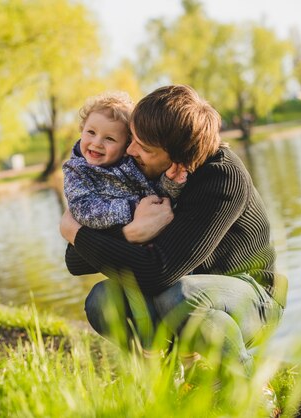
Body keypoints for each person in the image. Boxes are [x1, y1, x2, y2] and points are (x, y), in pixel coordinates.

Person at [60, 85, 288, 384]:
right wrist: (129, 232)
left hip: (251, 298)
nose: (130, 151)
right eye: (132, 140)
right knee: (103, 299)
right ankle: (170, 382)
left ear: (177, 157)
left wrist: (75, 232)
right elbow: (77, 260)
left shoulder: (222, 178)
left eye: (143, 147)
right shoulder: (148, 172)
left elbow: (159, 272)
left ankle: (248, 390)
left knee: (179, 296)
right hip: (185, 291)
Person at [62, 91, 187, 345]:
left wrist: (172, 184)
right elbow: (85, 211)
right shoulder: (78, 172)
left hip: (156, 248)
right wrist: (134, 210)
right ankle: (154, 358)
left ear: (127, 143)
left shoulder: (132, 163)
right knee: (137, 302)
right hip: (123, 254)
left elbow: (158, 198)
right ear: (81, 129)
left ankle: (190, 351)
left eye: (109, 138)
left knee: (177, 290)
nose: (96, 143)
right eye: (91, 132)